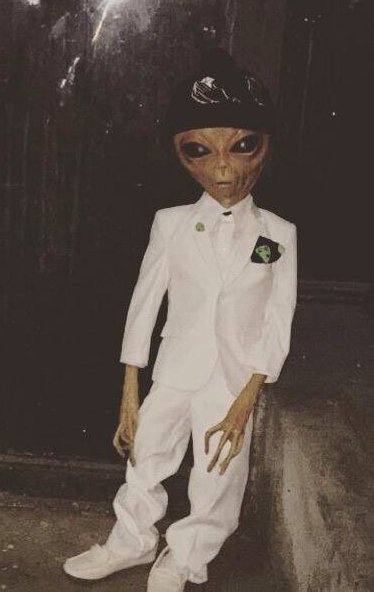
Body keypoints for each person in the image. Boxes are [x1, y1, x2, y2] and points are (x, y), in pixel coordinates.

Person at [63, 49, 297, 591]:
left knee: (219, 473)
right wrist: (130, 387)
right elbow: (144, 303)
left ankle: (188, 556)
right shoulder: (170, 224)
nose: (223, 169)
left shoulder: (277, 235)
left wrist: (248, 396)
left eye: (242, 147)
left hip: (232, 379)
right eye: (199, 151)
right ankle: (131, 541)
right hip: (174, 369)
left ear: (265, 147)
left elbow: (277, 317)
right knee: (145, 455)